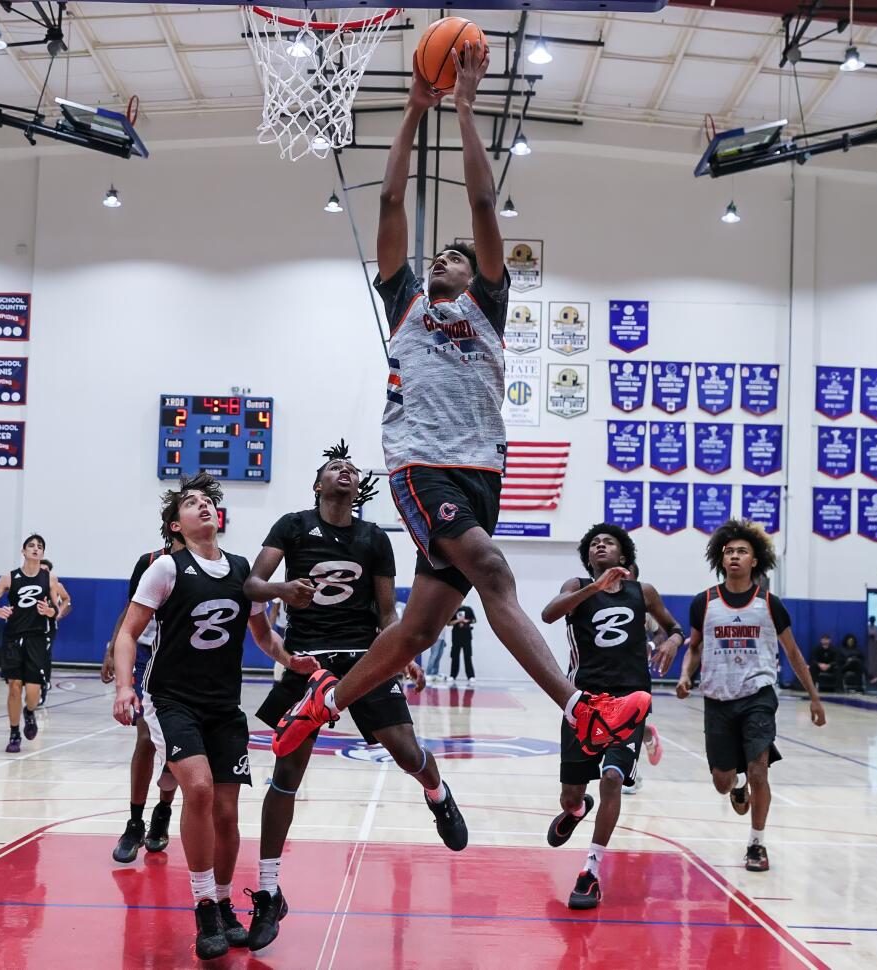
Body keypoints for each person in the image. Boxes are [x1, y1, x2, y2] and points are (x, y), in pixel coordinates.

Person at [271, 41, 651, 770]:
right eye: (438, 254)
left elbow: (481, 200)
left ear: (477, 274)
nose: (444, 255)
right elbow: (388, 201)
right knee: (495, 571)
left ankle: (323, 705)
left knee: (415, 633)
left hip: (483, 473)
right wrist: (416, 111)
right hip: (423, 466)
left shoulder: (488, 308)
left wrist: (468, 109)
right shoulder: (405, 305)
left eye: (457, 255)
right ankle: (582, 710)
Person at [244, 442, 456, 952]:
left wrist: (403, 652)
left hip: (365, 658)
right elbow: (252, 583)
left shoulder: (373, 537)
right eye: (334, 467)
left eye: (351, 468)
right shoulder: (292, 526)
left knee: (407, 753)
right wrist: (281, 592)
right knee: (286, 772)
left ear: (360, 486)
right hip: (307, 662)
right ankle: (270, 891)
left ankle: (438, 795)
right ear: (318, 484)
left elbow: (387, 613)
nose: (345, 470)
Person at [112, 472, 284, 961]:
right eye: (192, 502)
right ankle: (204, 906)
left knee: (228, 810)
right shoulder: (166, 568)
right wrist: (125, 687)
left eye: (209, 500)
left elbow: (264, 636)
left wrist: (293, 661)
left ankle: (227, 902)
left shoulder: (243, 569)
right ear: (176, 524)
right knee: (201, 789)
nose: (204, 506)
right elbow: (128, 634)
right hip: (172, 699)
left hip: (224, 706)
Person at [539, 523, 678, 910]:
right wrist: (592, 589)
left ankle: (590, 872)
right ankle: (577, 808)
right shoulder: (577, 586)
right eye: (595, 543)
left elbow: (675, 626)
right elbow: (549, 614)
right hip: (582, 700)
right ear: (589, 557)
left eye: (609, 542)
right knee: (569, 796)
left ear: (624, 556)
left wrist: (672, 641)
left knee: (613, 778)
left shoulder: (642, 592)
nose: (601, 546)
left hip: (630, 699)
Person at [675, 519, 825, 872]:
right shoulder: (704, 602)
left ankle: (756, 844)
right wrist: (684, 675)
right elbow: (694, 648)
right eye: (729, 551)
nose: (735, 557)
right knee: (721, 781)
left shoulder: (770, 604)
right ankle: (735, 785)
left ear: (755, 560)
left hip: (758, 694)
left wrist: (814, 697)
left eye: (742, 551)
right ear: (720, 558)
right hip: (717, 698)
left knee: (760, 770)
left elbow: (793, 653)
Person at [101, 540, 183, 865]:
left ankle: (163, 811)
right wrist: (112, 649)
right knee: (147, 738)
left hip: (182, 657)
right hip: (147, 653)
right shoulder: (151, 561)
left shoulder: (207, 563)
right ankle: (135, 823)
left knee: (175, 742)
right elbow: (129, 609)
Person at [0, 535, 70, 753]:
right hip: (13, 637)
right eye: (31, 545)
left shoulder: (49, 578)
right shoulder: (8, 578)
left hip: (38, 638)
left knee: (32, 692)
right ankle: (14, 733)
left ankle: (29, 712)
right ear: (23, 551)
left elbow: (62, 604)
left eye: (39, 547)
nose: (35, 549)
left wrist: (52, 612)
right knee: (14, 687)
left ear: (43, 554)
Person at [38, 558, 72, 707]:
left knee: (43, 655)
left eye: (46, 569)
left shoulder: (56, 585)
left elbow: (67, 599)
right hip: (29, 625)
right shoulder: (29, 583)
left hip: (48, 625)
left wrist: (59, 612)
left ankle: (44, 684)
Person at [448, 605, 476, 685]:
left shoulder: (468, 609)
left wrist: (466, 621)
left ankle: (471, 676)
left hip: (467, 636)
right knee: (455, 656)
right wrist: (458, 621)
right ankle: (453, 675)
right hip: (456, 636)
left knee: (468, 656)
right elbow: (449, 623)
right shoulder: (453, 610)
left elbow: (474, 620)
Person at [866, 615, 877, 684]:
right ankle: (870, 677)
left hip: (875, 647)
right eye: (871, 619)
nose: (872, 621)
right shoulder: (866, 628)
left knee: (875, 663)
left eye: (873, 619)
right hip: (868, 646)